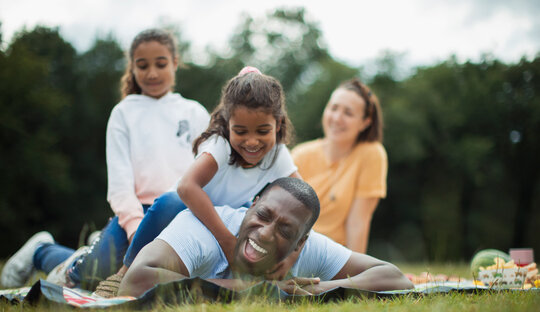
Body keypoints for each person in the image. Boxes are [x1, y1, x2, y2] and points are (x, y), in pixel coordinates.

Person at [0, 28, 209, 289]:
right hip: (137, 214)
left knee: (162, 280)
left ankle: (96, 245)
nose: (152, 73)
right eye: (142, 66)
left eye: (161, 64)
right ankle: (40, 251)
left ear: (175, 63)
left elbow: (209, 170)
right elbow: (120, 186)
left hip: (183, 212)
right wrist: (135, 229)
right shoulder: (123, 114)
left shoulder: (195, 113)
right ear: (132, 68)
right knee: (90, 277)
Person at [103, 65, 300, 291]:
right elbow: (187, 188)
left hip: (222, 219)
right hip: (184, 213)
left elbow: (304, 204)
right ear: (227, 125)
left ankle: (243, 279)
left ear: (279, 125)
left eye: (263, 131)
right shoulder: (219, 144)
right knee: (171, 202)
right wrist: (227, 242)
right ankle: (123, 272)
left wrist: (292, 255)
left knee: (255, 212)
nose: (252, 141)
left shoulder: (278, 154)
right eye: (241, 131)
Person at [118, 177, 413, 297]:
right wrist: (258, 290)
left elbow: (395, 278)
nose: (267, 234)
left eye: (285, 231)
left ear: (300, 242)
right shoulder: (202, 229)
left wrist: (317, 290)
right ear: (253, 204)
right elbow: (134, 281)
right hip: (126, 244)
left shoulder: (311, 248)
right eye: (263, 215)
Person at [291, 78, 387, 253]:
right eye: (333, 108)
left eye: (348, 113)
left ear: (365, 122)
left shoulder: (371, 154)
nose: (337, 118)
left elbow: (358, 222)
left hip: (333, 256)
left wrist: (355, 276)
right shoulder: (300, 154)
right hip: (292, 250)